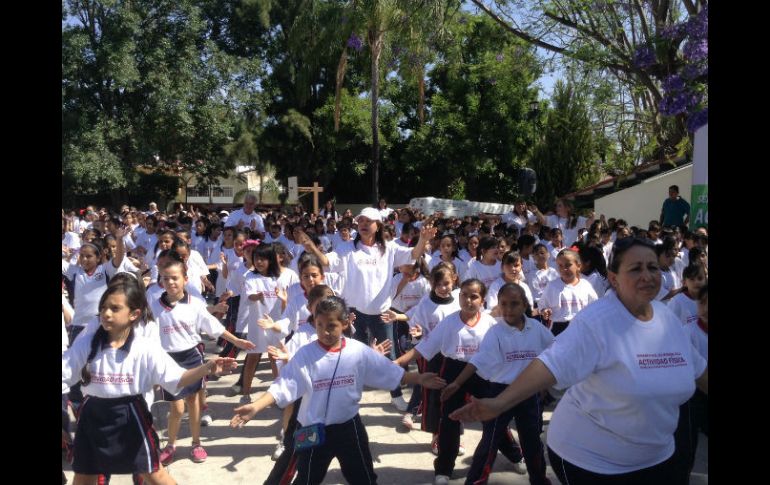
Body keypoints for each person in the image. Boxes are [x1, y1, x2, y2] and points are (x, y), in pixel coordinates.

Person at [450, 237, 708, 485]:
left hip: (658, 457)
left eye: (652, 267)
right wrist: (499, 402)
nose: (647, 275)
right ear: (614, 278)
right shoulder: (597, 322)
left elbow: (699, 370)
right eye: (636, 268)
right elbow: (550, 363)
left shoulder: (668, 320)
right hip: (593, 462)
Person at [230, 295, 447, 485]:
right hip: (312, 430)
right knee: (306, 479)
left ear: (344, 324)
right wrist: (256, 407)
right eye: (320, 324)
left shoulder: (357, 351)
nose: (325, 331)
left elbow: (387, 371)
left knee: (364, 477)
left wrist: (418, 378)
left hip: (348, 428)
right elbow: (282, 386)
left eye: (331, 325)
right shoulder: (305, 355)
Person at [62, 277, 238, 485]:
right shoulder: (89, 342)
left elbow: (177, 377)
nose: (106, 313)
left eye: (115, 308)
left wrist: (207, 367)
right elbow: (66, 369)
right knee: (83, 476)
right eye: (104, 308)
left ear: (134, 314)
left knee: (155, 474)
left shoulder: (145, 348)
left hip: (130, 415)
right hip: (92, 415)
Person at [298, 206, 436, 412]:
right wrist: (312, 247)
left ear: (377, 225)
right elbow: (326, 262)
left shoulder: (389, 248)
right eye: (360, 220)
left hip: (382, 313)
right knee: (352, 357)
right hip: (355, 313)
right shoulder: (347, 249)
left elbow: (413, 256)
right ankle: (352, 395)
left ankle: (396, 394)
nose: (363, 224)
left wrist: (423, 240)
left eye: (368, 221)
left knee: (389, 357)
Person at [443, 283, 553, 485]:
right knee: (490, 441)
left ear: (525, 304)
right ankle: (476, 481)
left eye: (515, 304)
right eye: (504, 304)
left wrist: (546, 385)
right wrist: (457, 383)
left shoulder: (537, 329)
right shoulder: (496, 332)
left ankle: (539, 479)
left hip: (529, 395)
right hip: (499, 393)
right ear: (498, 305)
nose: (509, 309)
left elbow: (555, 352)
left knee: (532, 442)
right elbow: (478, 361)